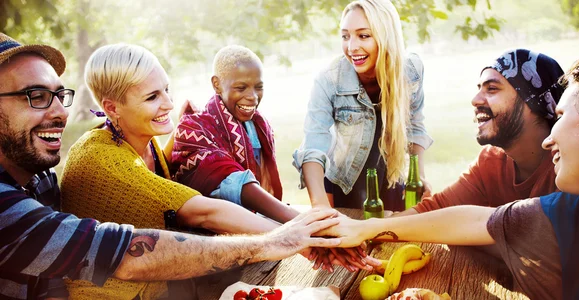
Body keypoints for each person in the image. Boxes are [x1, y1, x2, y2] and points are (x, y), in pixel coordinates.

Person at [0, 33, 345, 300]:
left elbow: (50, 276)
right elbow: (201, 212)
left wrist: (298, 229)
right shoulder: (99, 157)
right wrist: (284, 236)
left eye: (166, 90)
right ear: (112, 107)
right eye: (36, 96)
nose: (60, 112)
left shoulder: (43, 173)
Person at [320, 56, 579, 300]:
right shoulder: (565, 207)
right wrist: (364, 230)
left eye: (492, 88)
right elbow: (469, 218)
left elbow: (485, 224)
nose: (550, 140)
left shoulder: (572, 197)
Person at [293, 0, 433, 211]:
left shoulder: (411, 71)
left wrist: (419, 176)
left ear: (386, 37)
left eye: (364, 35)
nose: (352, 47)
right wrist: (320, 208)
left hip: (392, 178)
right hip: (344, 185)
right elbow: (313, 146)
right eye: (345, 36)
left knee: (395, 241)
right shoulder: (329, 80)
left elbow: (415, 127)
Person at [396, 49, 564, 216]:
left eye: (491, 89)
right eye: (479, 89)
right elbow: (437, 209)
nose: (475, 100)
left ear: (533, 101)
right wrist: (376, 227)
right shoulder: (492, 162)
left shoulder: (568, 167)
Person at [170, 45, 299, 225]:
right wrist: (294, 218)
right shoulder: (195, 128)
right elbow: (229, 180)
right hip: (212, 232)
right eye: (241, 87)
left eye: (258, 87)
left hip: (256, 219)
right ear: (217, 84)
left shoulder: (258, 125)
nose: (253, 97)